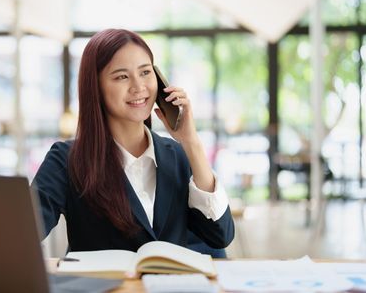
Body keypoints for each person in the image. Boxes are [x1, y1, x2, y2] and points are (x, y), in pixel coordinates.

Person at [31, 29, 234, 253]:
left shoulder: (176, 155)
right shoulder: (67, 159)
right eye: (122, 76)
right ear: (95, 87)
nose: (139, 87)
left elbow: (220, 236)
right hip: (103, 288)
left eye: (145, 72)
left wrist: (191, 141)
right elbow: (26, 231)